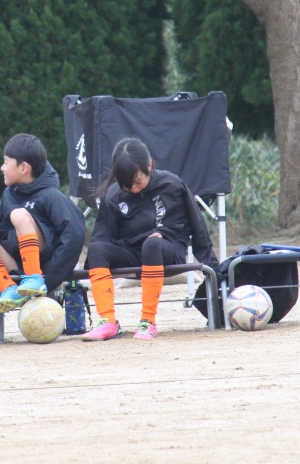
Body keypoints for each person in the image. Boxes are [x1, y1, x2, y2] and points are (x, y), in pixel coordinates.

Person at [81, 137, 220, 340]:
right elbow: (102, 237)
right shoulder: (113, 195)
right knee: (95, 249)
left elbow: (197, 227)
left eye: (138, 182)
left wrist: (214, 268)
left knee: (152, 243)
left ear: (149, 165)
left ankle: (148, 322)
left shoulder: (172, 184)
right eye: (126, 185)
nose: (133, 188)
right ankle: (108, 321)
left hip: (167, 249)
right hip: (132, 252)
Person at [0, 133, 86, 314]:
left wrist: (50, 277)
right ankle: (9, 289)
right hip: (17, 265)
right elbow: (2, 230)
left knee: (19, 215)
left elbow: (74, 234)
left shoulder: (51, 196)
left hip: (43, 268)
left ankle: (34, 278)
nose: (2, 168)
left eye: (6, 162)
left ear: (24, 167)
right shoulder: (8, 194)